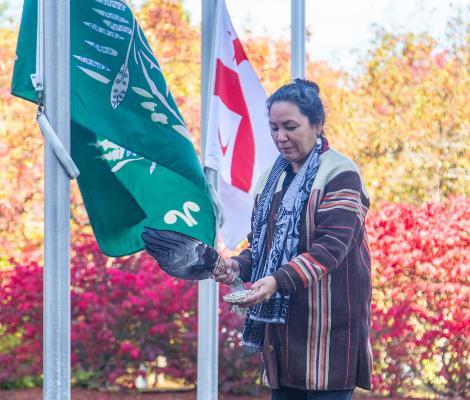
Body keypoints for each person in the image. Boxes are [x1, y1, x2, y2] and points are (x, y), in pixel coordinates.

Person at [213, 79, 372, 400]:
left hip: (329, 335)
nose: (280, 137)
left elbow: (330, 249)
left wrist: (276, 281)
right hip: (281, 337)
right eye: (274, 128)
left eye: (290, 127)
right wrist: (236, 266)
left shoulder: (340, 173)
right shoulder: (269, 179)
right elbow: (261, 246)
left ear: (317, 124)